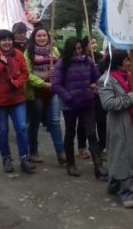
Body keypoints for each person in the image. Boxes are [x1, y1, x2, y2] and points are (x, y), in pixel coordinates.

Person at [0, 30, 36, 174]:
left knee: (22, 128)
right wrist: (0, 64)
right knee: (3, 130)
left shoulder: (18, 54)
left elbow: (25, 73)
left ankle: (24, 158)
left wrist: (17, 83)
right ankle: (6, 159)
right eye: (3, 40)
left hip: (17, 99)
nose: (7, 42)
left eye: (9, 39)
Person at [52, 37, 107, 179]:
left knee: (92, 134)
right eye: (75, 49)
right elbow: (56, 85)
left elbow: (97, 78)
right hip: (70, 106)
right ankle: (71, 164)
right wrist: (68, 97)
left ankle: (98, 166)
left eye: (79, 48)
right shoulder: (62, 63)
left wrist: (95, 86)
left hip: (87, 103)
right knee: (70, 134)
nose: (78, 51)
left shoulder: (88, 61)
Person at [99, 50, 133, 209]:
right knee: (123, 156)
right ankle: (127, 193)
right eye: (127, 60)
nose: (129, 63)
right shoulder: (106, 80)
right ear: (118, 62)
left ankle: (114, 183)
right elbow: (107, 103)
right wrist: (129, 98)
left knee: (128, 155)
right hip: (119, 124)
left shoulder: (128, 76)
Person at [24, 27, 65, 165]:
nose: (42, 38)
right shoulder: (28, 52)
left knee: (55, 121)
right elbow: (27, 74)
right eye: (39, 36)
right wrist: (43, 83)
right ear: (34, 38)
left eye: (44, 35)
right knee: (34, 123)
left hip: (52, 92)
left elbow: (61, 68)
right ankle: (33, 152)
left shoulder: (55, 50)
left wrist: (57, 71)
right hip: (36, 92)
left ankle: (61, 153)